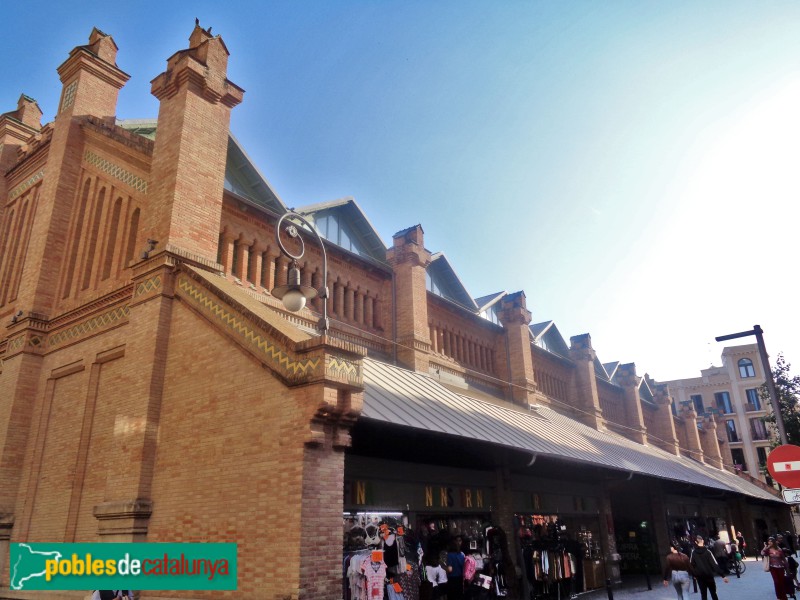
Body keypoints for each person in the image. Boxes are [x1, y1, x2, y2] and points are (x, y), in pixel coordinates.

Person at [690, 535, 729, 600]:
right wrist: (723, 575)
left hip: (700, 577)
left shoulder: (693, 553)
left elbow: (691, 565)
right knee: (713, 593)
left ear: (696, 542)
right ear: (703, 541)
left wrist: (694, 575)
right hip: (709, 575)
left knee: (703, 594)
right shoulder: (708, 552)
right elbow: (714, 564)